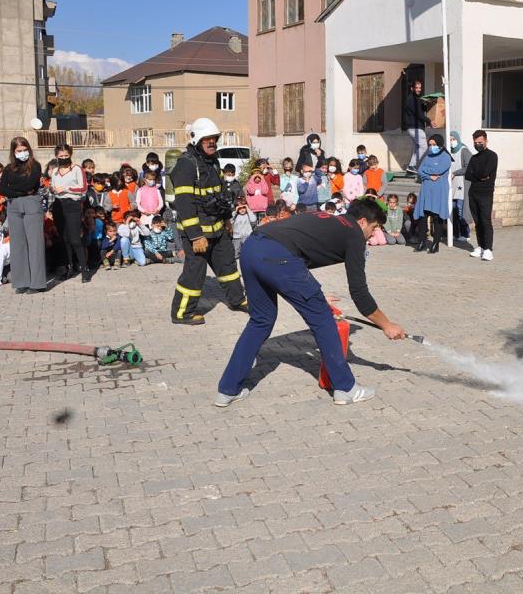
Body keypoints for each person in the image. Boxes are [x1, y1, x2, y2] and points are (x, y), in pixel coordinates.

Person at [215, 198, 406, 407]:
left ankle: (228, 390)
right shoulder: (354, 235)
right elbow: (359, 293)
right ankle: (345, 388)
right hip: (278, 257)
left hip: (251, 248)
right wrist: (386, 325)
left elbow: (298, 250)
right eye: (374, 227)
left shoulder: (325, 218)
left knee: (261, 320)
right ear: (361, 222)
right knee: (323, 319)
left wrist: (312, 294)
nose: (373, 234)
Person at [169, 117, 247, 325]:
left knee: (228, 265)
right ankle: (182, 313)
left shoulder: (213, 162)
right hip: (198, 233)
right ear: (197, 140)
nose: (212, 143)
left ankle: (237, 300)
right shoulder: (186, 165)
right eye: (207, 140)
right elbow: (184, 203)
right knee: (195, 274)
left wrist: (227, 220)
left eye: (214, 139)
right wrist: (196, 235)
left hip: (218, 228)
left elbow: (221, 195)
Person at [0, 136, 46, 294]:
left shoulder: (35, 166)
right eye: (19, 151)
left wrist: (16, 190)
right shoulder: (8, 168)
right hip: (13, 206)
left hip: (31, 203)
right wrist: (20, 191)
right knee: (17, 244)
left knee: (35, 244)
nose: (23, 153)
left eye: (25, 150)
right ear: (14, 152)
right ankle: (21, 281)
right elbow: (2, 189)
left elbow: (30, 185)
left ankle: (37, 283)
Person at [49, 143, 90, 282]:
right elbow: (53, 187)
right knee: (64, 239)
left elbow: (83, 188)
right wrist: (53, 189)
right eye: (61, 156)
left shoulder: (77, 169)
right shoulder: (54, 171)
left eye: (66, 155)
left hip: (72, 204)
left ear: (70, 155)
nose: (64, 158)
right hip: (58, 205)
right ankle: (69, 266)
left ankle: (84, 269)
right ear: (56, 156)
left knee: (75, 239)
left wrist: (66, 189)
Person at [413, 134, 452, 254]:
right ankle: (422, 242)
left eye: (434, 144)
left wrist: (426, 171)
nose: (431, 147)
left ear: (440, 144)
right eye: (430, 144)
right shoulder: (428, 156)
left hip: (438, 191)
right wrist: (429, 175)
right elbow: (420, 170)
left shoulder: (446, 157)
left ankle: (436, 243)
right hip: (426, 190)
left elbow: (439, 170)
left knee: (436, 217)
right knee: (423, 216)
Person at [465, 130, 498, 261]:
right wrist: (480, 175)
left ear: (485, 141)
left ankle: (488, 249)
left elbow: (486, 173)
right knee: (477, 222)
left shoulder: (492, 156)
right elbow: (468, 175)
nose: (477, 144)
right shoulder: (474, 158)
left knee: (485, 221)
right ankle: (481, 247)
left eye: (480, 142)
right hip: (473, 193)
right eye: (475, 142)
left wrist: (477, 174)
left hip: (486, 194)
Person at [449, 131, 473, 242]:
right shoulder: (449, 151)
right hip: (452, 184)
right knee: (453, 209)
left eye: (453, 139)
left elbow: (469, 167)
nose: (451, 141)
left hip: (462, 184)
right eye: (449, 139)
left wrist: (455, 173)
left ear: (457, 139)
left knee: (460, 209)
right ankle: (455, 233)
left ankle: (465, 233)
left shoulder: (464, 150)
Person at [404, 80, 430, 173]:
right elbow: (419, 114)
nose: (419, 89)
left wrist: (425, 104)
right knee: (423, 146)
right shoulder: (412, 100)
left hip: (414, 127)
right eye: (417, 88)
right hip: (415, 127)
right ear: (412, 88)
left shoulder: (416, 99)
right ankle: (412, 165)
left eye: (420, 87)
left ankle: (411, 166)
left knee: (417, 147)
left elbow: (420, 111)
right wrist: (430, 121)